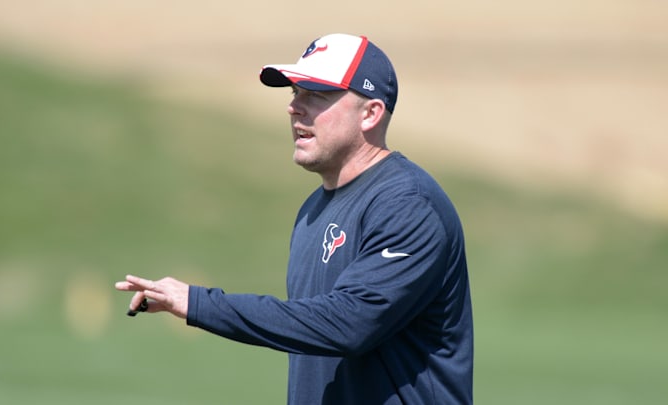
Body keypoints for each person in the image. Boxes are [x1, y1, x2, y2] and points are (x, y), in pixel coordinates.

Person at [115, 33, 473, 404]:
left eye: (316, 95)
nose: (294, 107)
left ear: (370, 114)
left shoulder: (408, 204)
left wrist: (202, 304)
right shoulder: (312, 212)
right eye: (294, 93)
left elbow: (349, 324)